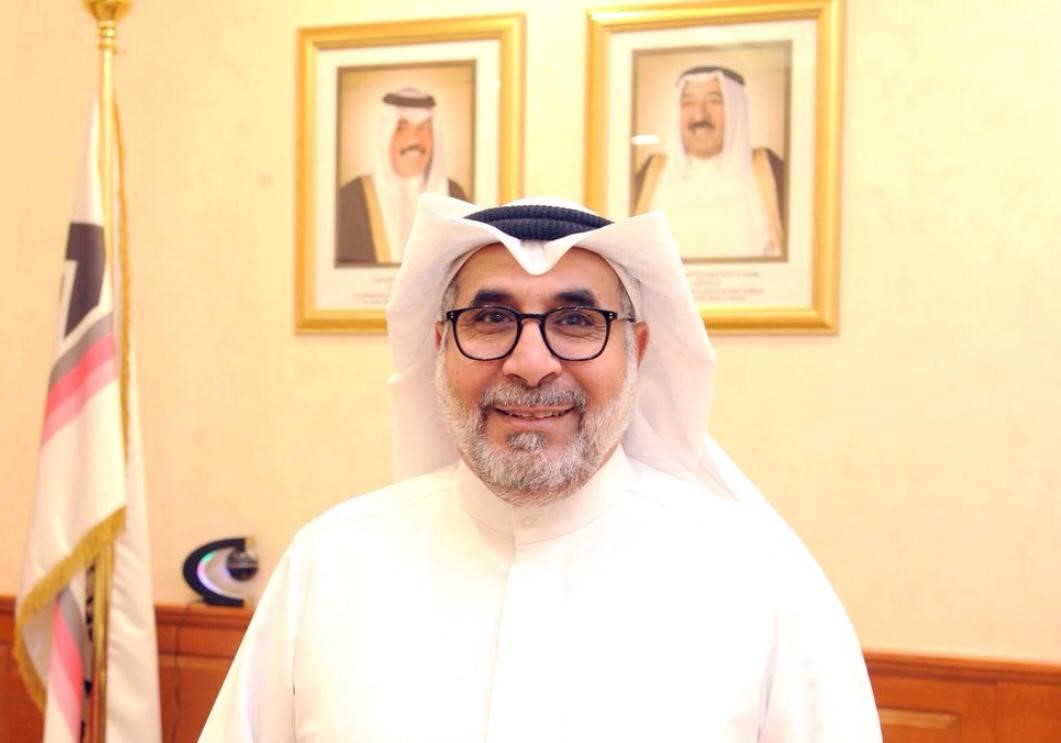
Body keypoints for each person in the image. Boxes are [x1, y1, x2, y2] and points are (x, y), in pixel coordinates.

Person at [200, 195, 882, 742]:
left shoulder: (761, 585)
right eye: (492, 318)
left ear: (637, 350)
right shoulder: (328, 566)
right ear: (440, 346)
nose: (530, 364)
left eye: (577, 321)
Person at [634, 65, 785, 259]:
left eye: (714, 101)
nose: (700, 115)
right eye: (687, 103)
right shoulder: (649, 176)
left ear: (736, 110)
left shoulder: (770, 172)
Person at [335, 86, 468, 264]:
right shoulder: (351, 199)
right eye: (402, 128)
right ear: (385, 135)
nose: (415, 139)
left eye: (424, 128)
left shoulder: (454, 195)